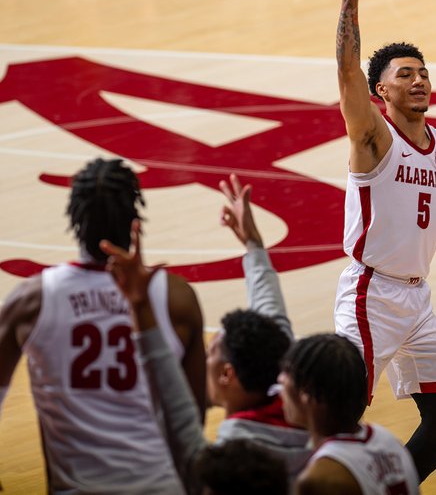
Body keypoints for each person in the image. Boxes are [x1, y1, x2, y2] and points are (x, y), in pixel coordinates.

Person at [332, 0, 436, 481]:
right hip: (371, 294)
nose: (418, 80)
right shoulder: (372, 136)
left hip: (418, 299)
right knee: (340, 413)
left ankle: (389, 488)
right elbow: (344, 72)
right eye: (404, 74)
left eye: (423, 72)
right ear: (379, 91)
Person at [0, 158, 205, 493]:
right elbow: (192, 416)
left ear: (73, 218)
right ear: (135, 218)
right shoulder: (176, 298)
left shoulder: (30, 302)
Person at [102, 174, 309, 491]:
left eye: (211, 352)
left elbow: (179, 412)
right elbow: (274, 317)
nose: (204, 356)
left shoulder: (233, 451)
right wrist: (253, 244)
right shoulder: (297, 402)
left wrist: (140, 308)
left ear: (229, 375)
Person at [279, 333, 421, 495]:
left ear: (307, 394)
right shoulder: (389, 440)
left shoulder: (320, 478)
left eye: (284, 381)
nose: (279, 388)